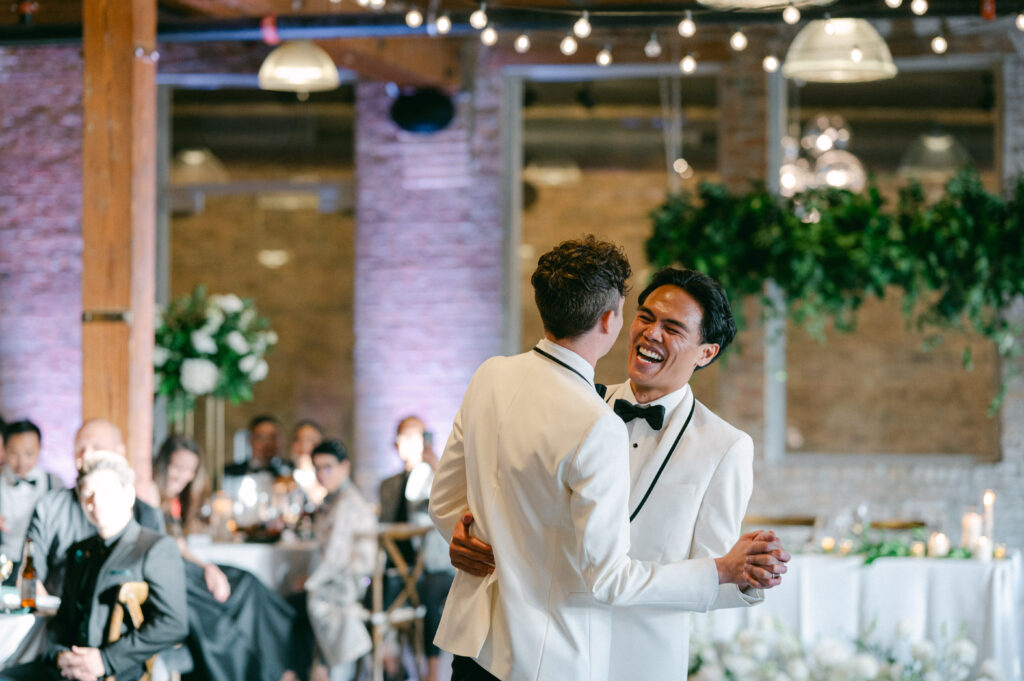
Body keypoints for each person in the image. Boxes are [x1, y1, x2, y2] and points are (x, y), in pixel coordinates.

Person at [428, 236, 788, 681]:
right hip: (534, 652)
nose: (651, 333)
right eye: (645, 316)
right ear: (616, 320)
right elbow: (489, 506)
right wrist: (469, 537)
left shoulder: (725, 447)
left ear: (707, 353)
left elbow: (717, 574)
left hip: (637, 658)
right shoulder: (585, 408)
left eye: (673, 328)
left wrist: (746, 575)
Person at [0, 450, 188, 681]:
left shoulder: (155, 547)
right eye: (87, 494)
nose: (95, 502)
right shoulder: (79, 550)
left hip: (116, 671)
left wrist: (105, 660)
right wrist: (60, 656)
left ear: (128, 495)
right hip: (69, 668)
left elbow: (173, 623)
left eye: (106, 492)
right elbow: (62, 621)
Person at [153, 435, 297, 681]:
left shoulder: (173, 499)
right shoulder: (151, 492)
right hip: (171, 576)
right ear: (163, 464)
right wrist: (206, 568)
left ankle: (281, 665)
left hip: (181, 568)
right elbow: (164, 549)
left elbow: (179, 545)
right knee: (240, 597)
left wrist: (208, 567)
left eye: (190, 470)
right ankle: (276, 672)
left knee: (250, 584)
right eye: (177, 468)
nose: (183, 476)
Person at [24, 418, 166, 595]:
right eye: (80, 448)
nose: (87, 455)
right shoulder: (50, 507)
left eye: (97, 447)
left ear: (120, 452)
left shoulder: (146, 515)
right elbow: (30, 568)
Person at [287, 438, 376, 681]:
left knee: (291, 608)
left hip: (349, 585)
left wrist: (309, 581)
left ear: (344, 467)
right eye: (317, 468)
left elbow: (336, 558)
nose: (321, 474)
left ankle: (304, 672)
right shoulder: (332, 501)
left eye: (328, 467)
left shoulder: (347, 504)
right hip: (338, 579)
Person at [378, 416, 454, 681]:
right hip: (397, 567)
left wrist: (436, 465)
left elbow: (452, 499)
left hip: (434, 566)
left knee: (431, 591)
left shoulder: (436, 477)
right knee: (375, 597)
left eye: (417, 437)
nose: (410, 443)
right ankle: (392, 667)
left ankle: (431, 673)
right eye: (404, 437)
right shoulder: (387, 486)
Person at [0, 419, 63, 576]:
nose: (21, 462)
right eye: (14, 453)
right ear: (5, 449)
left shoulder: (54, 484)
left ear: (39, 449)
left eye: (29, 453)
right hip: (3, 562)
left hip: (40, 565)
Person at [290, 419, 327, 507]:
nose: (304, 446)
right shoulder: (286, 476)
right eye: (300, 440)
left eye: (311, 440)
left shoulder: (327, 479)